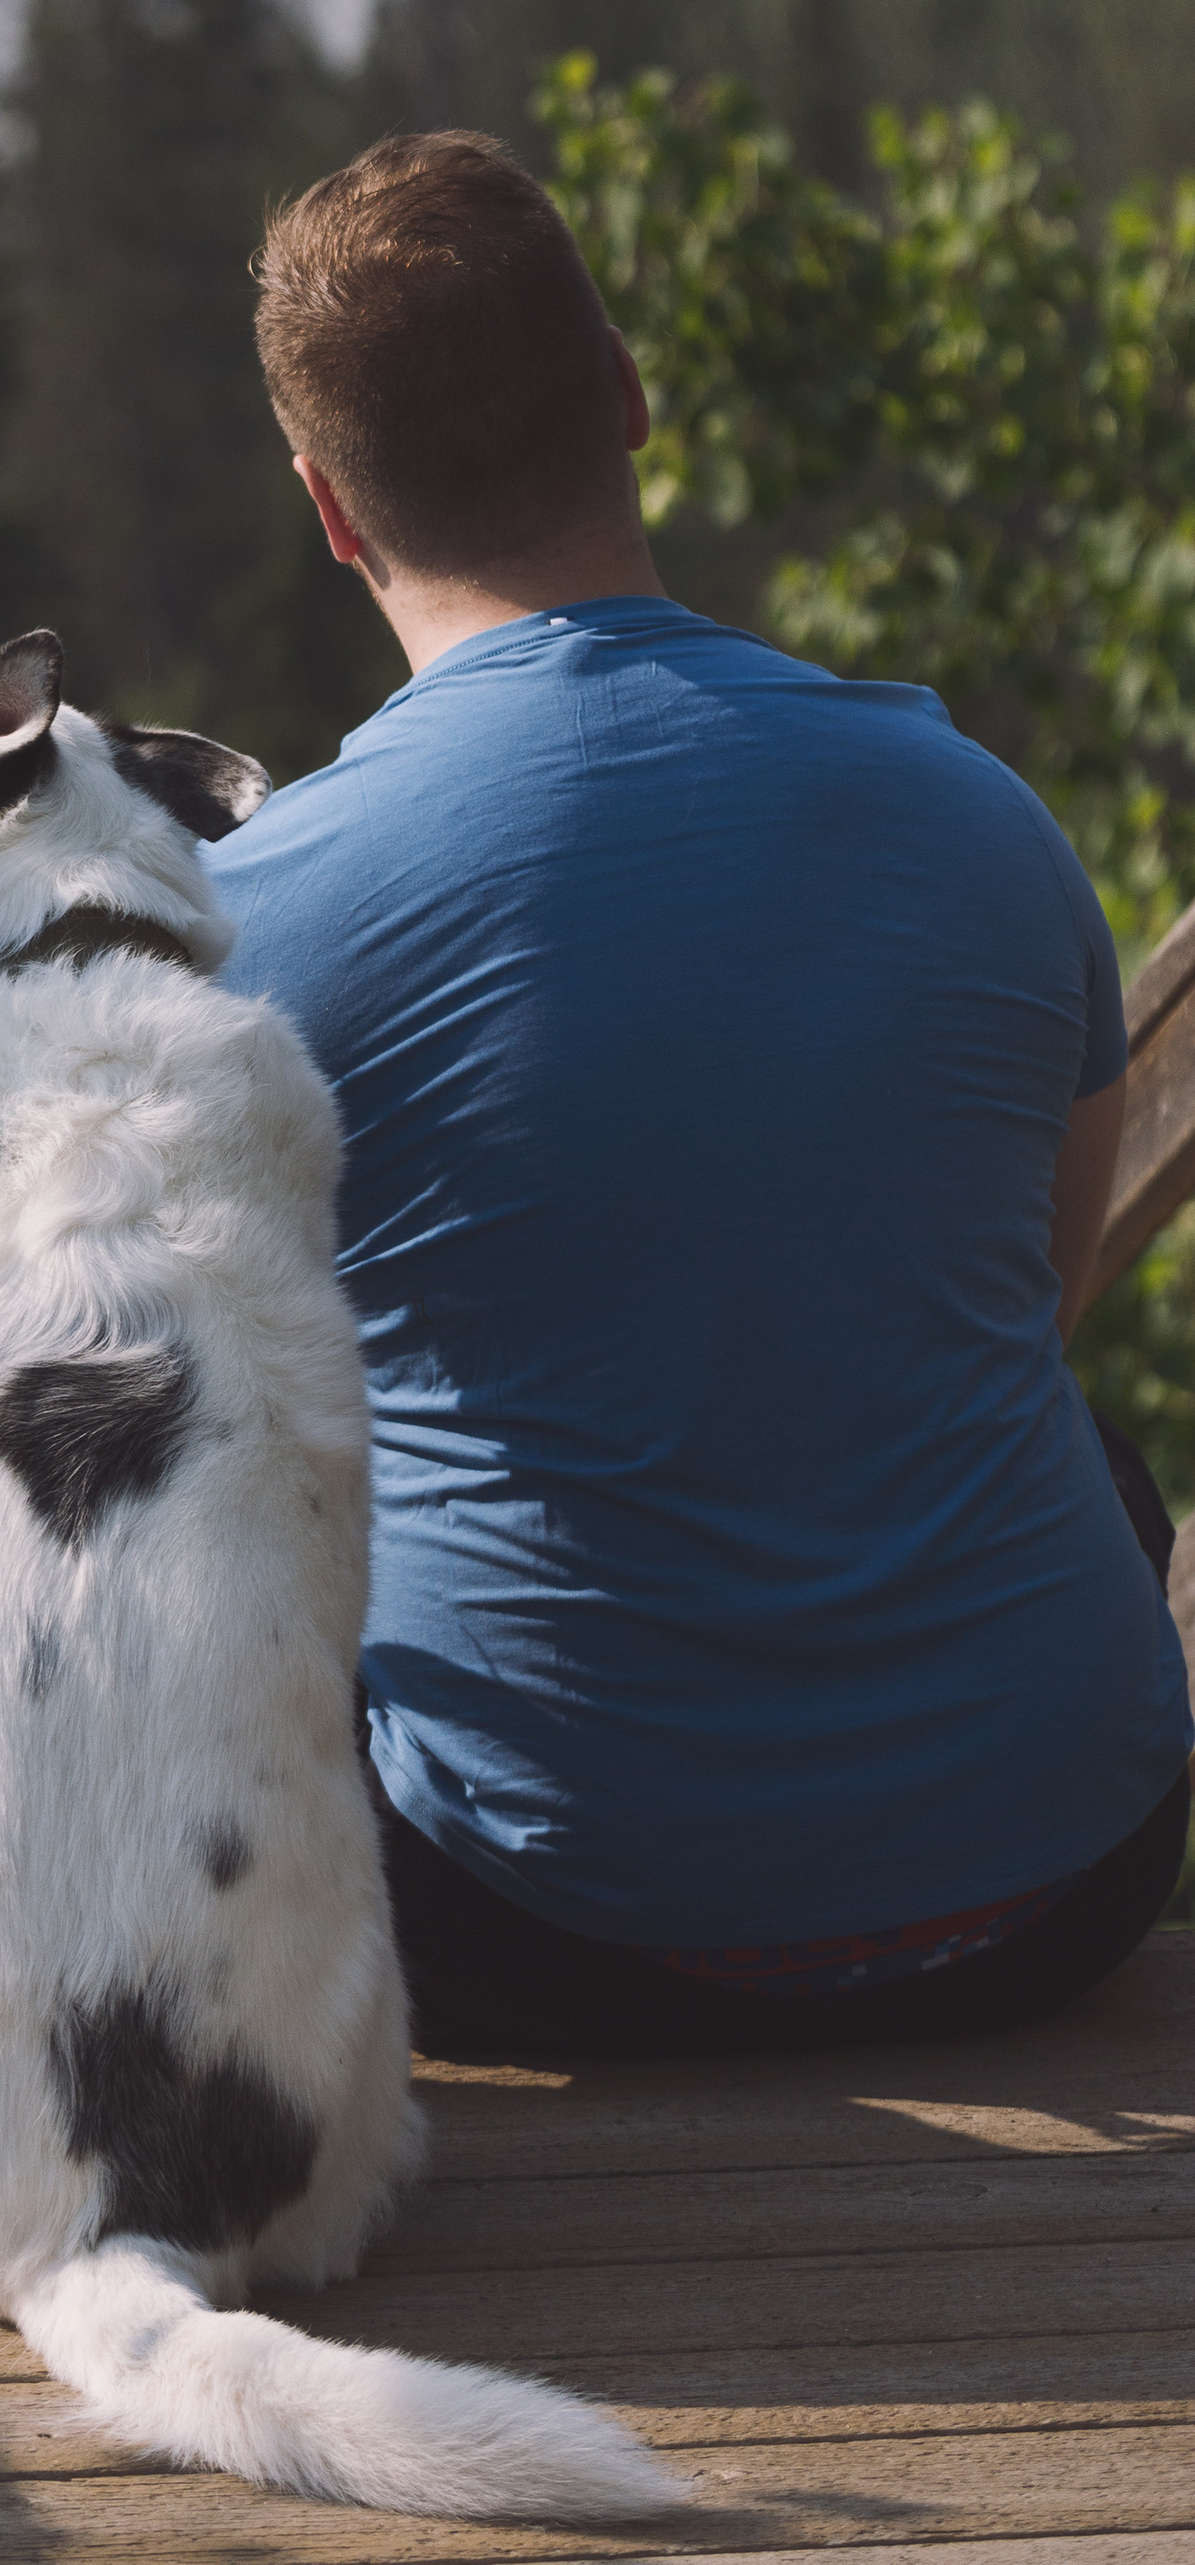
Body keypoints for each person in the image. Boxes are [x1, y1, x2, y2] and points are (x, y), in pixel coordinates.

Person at [213, 130, 1193, 2059]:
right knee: (1092, 1462)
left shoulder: (253, 930)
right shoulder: (988, 828)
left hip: (542, 1928)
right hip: (1063, 1886)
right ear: (633, 398)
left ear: (330, 508)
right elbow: (1035, 1301)